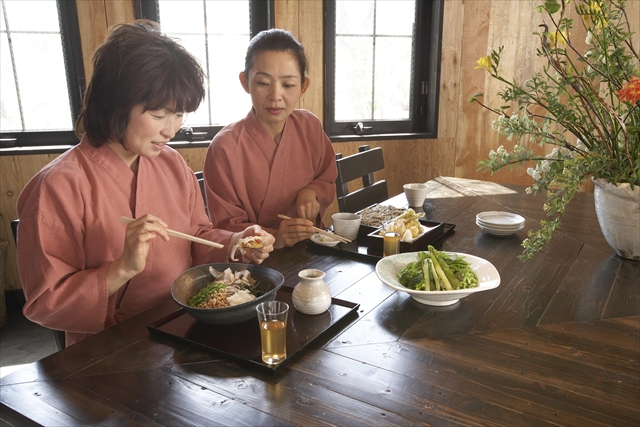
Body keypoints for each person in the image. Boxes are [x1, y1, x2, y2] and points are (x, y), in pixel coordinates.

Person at [16, 20, 275, 347]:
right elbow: (44, 303)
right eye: (158, 114)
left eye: (179, 114)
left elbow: (196, 236)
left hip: (181, 323)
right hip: (108, 348)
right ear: (115, 102)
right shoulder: (56, 187)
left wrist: (236, 241)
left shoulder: (170, 162)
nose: (171, 130)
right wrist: (122, 268)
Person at [203, 29, 337, 249]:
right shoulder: (225, 147)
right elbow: (226, 225)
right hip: (254, 267)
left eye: (288, 85)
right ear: (245, 82)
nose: (276, 95)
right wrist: (274, 236)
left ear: (303, 86)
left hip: (309, 251)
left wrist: (310, 192)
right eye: (263, 83)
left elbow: (327, 176)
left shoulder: (310, 127)